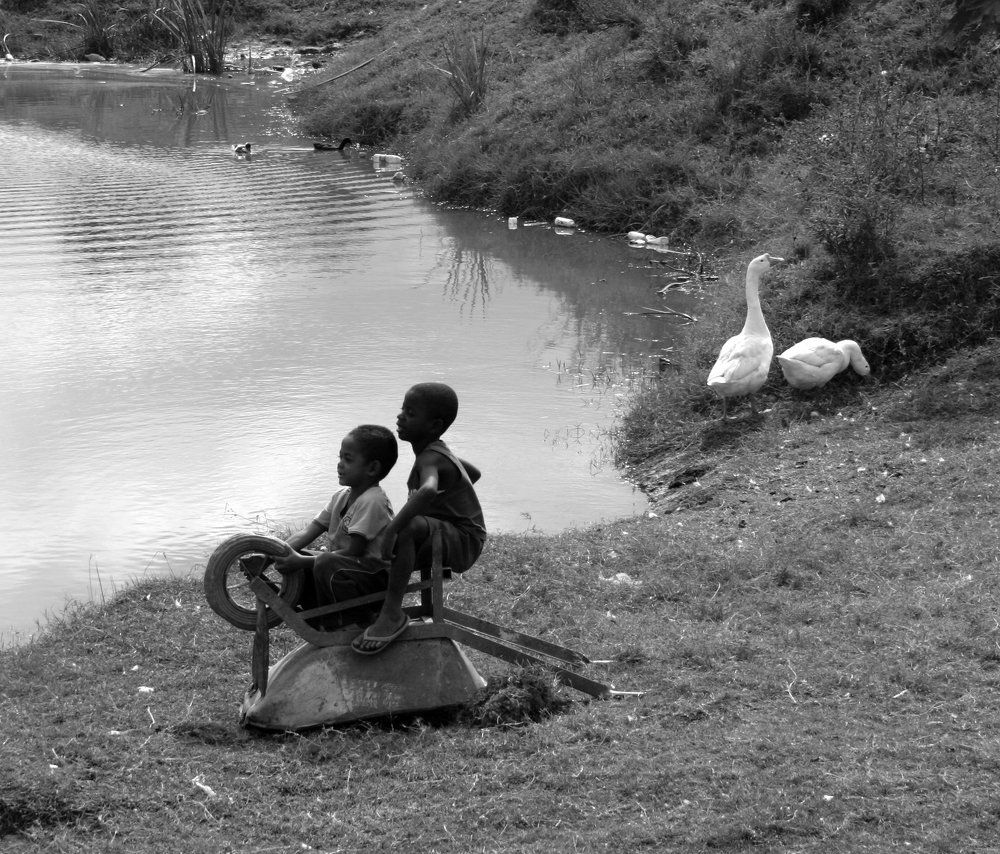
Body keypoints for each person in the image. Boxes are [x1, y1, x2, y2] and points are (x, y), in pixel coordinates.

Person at [352, 382, 486, 655]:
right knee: (389, 541)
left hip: (464, 540)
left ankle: (391, 614)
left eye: (411, 413)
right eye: (403, 409)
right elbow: (472, 473)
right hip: (456, 534)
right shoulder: (436, 454)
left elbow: (426, 491)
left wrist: (393, 531)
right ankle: (373, 609)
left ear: (435, 426)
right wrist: (446, 500)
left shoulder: (428, 458)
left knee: (405, 528)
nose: (400, 417)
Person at [273, 424, 398, 628]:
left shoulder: (373, 501)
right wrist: (272, 553)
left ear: (372, 468)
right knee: (299, 556)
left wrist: (302, 561)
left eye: (348, 459)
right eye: (340, 458)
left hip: (372, 578)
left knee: (322, 562)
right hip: (344, 570)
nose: (340, 465)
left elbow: (354, 551)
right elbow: (308, 531)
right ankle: (319, 615)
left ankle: (354, 620)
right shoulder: (341, 497)